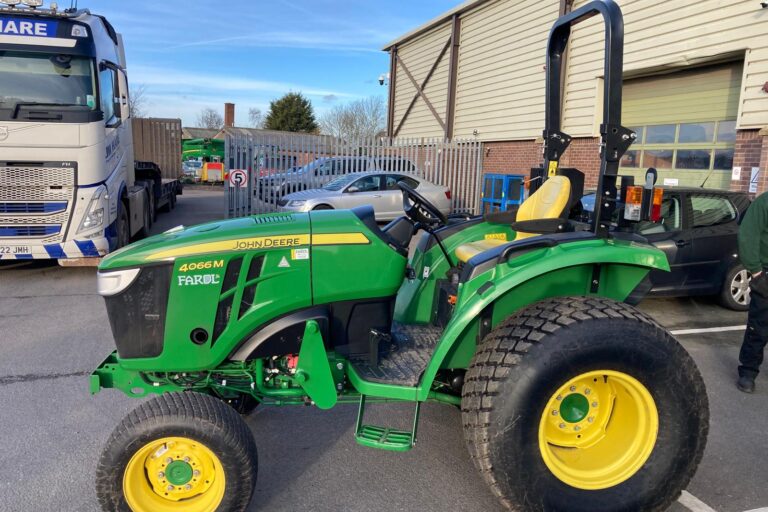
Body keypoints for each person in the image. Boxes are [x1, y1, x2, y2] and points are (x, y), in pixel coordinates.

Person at [737, 191, 768, 393]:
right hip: (765, 274)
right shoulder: (764, 203)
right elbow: (748, 235)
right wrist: (756, 273)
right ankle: (748, 371)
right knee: (759, 326)